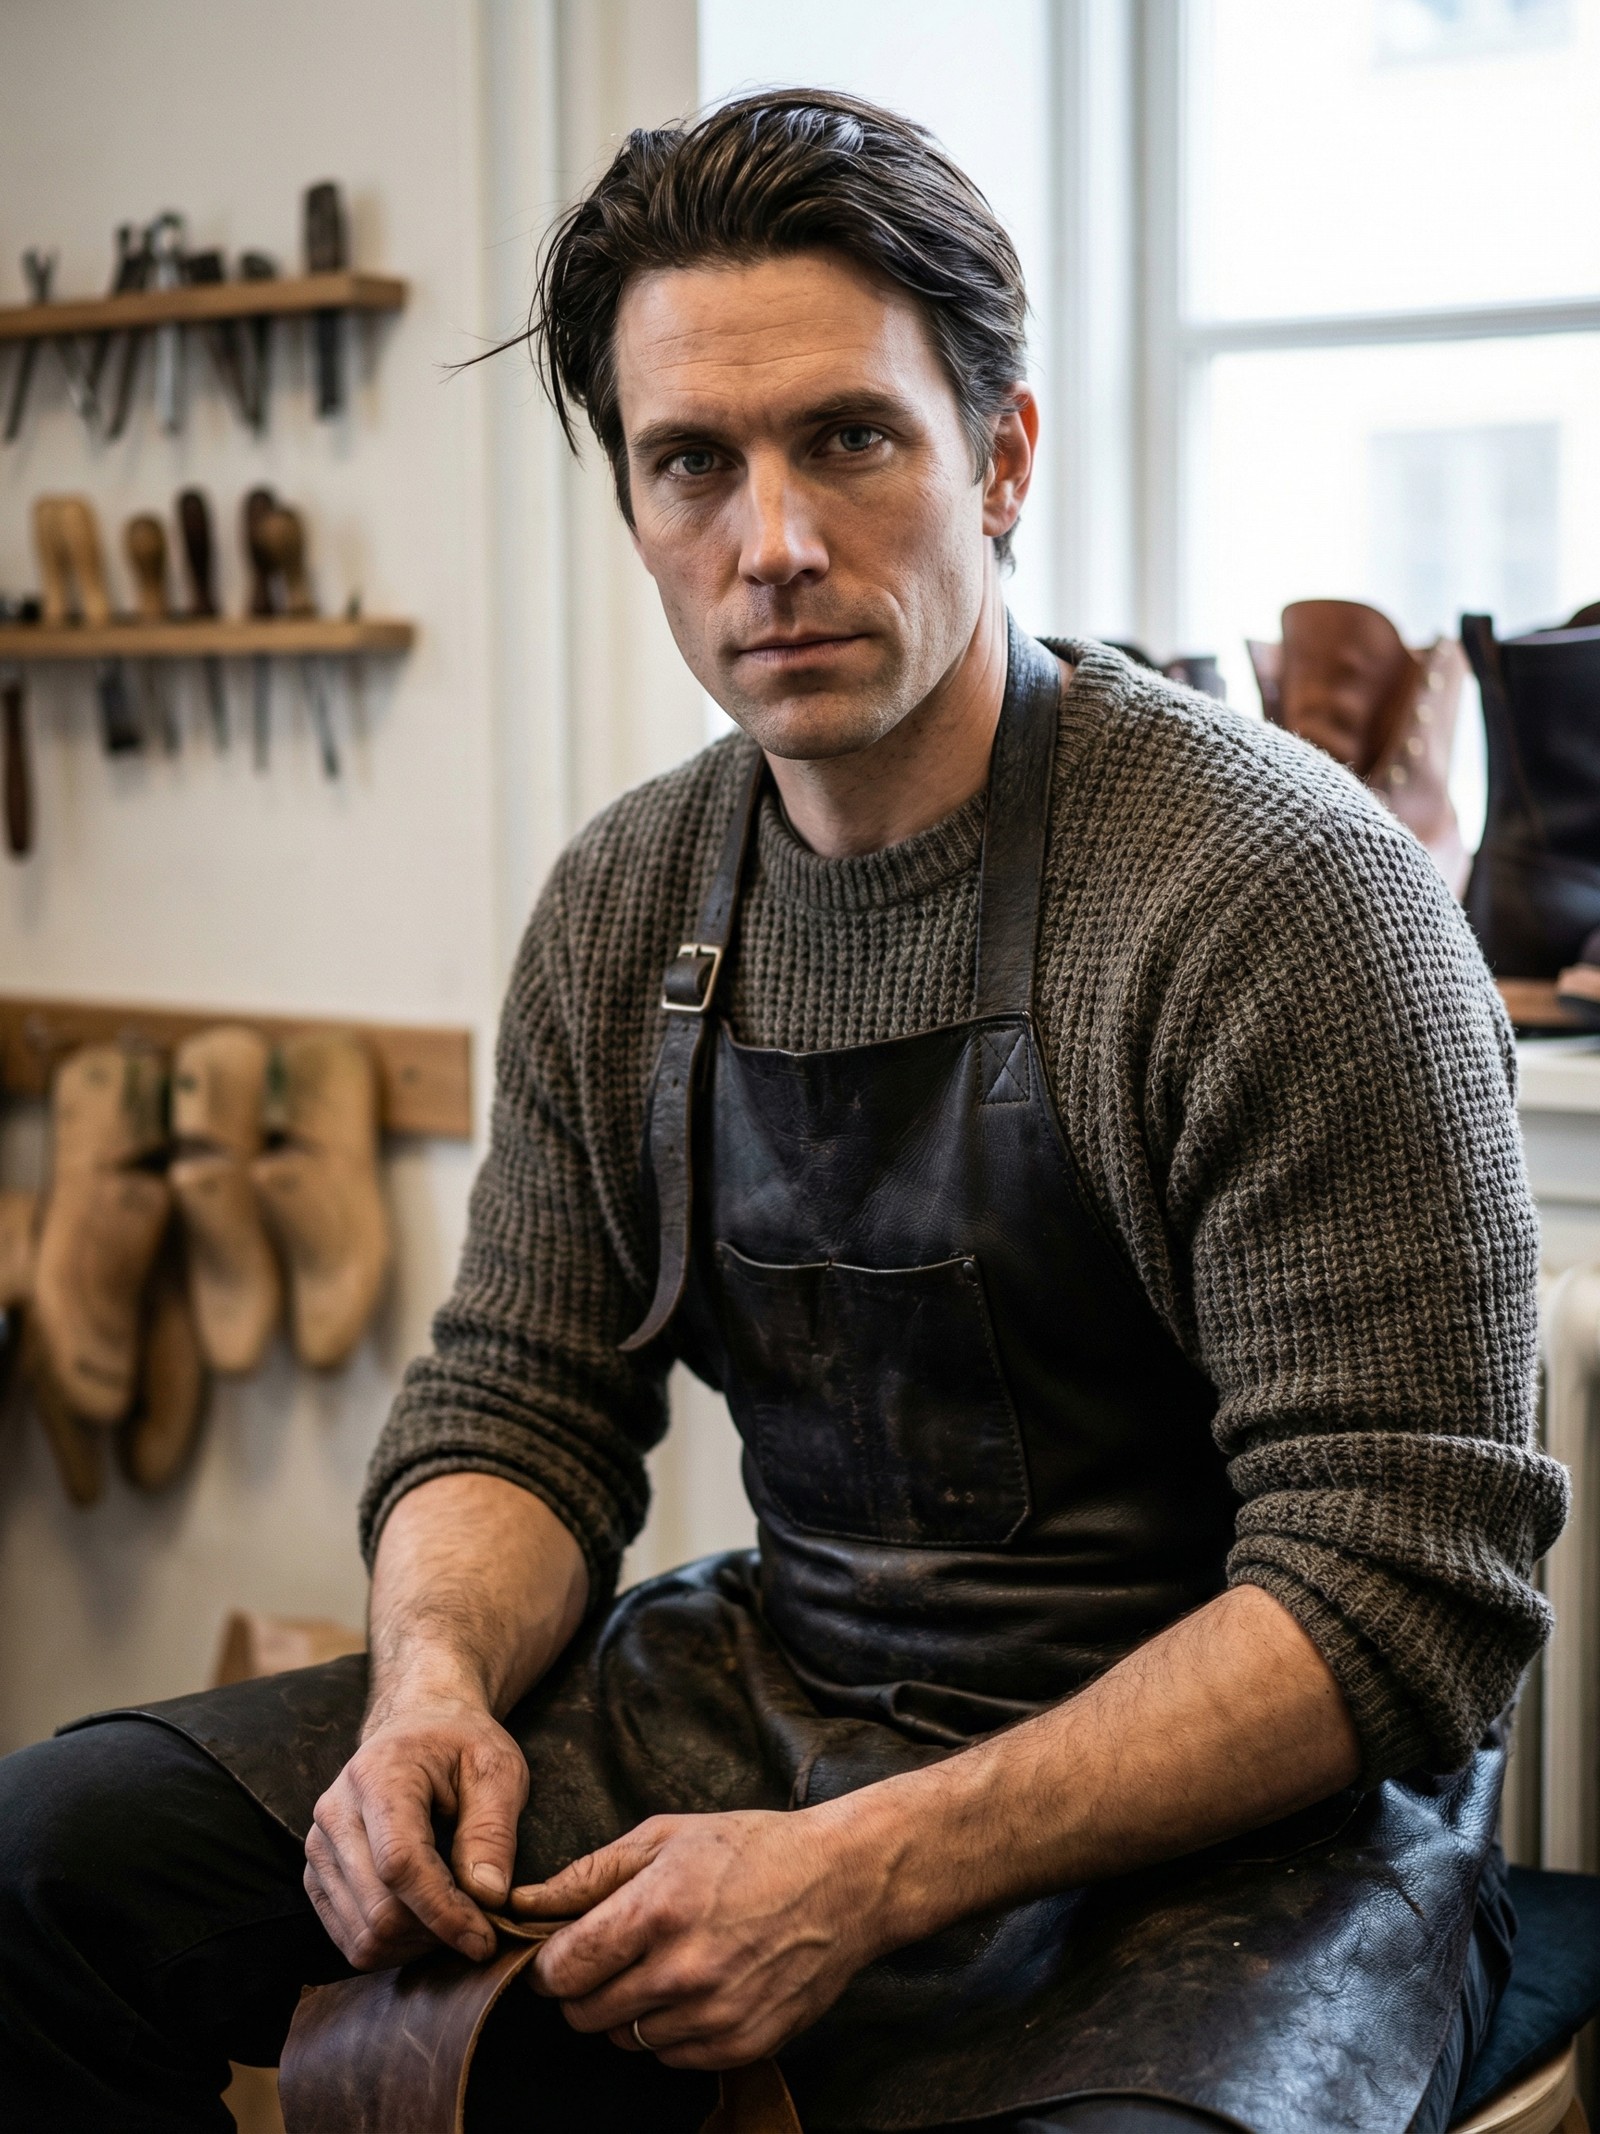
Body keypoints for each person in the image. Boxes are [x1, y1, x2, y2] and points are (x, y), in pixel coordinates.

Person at [0, 91, 1567, 2134]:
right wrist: (427, 1688)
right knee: (50, 1862)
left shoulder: (1279, 895)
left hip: (1242, 1833)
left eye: (848, 439)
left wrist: (873, 1865)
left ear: (999, 456)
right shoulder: (628, 899)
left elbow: (1398, 1588)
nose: (774, 544)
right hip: (782, 1697)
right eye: (693, 464)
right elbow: (517, 1406)